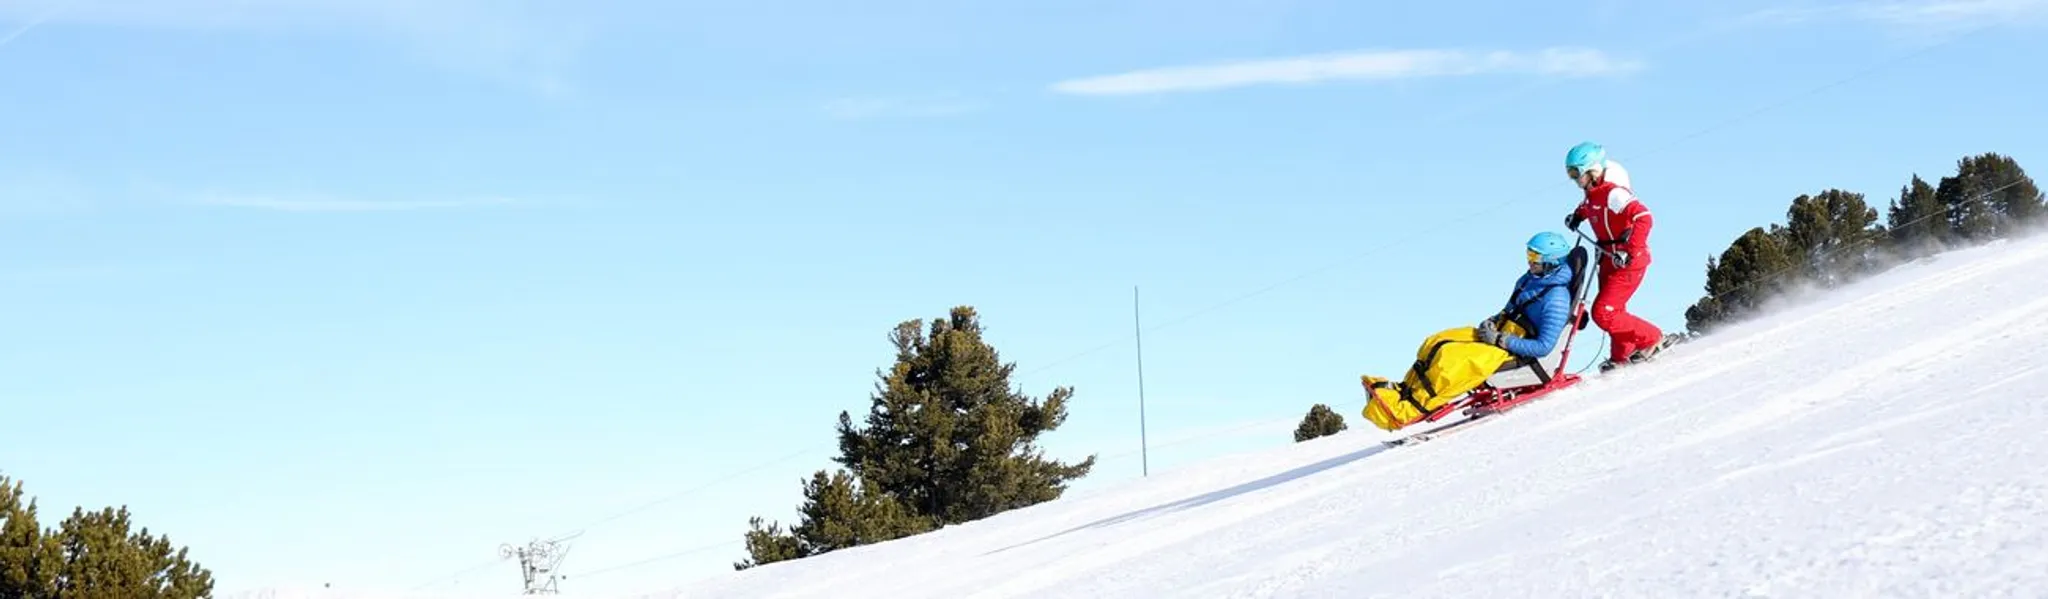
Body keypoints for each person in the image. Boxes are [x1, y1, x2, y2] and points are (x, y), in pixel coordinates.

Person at [1360, 232, 1579, 432]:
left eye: (1535, 257)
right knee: (1437, 342)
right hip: (1502, 332)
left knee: (1451, 359)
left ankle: (1408, 410)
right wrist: (1492, 322)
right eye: (1529, 254)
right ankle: (1404, 391)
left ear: (1552, 262)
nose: (1530, 261)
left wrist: (1501, 340)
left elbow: (1543, 347)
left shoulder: (1556, 300)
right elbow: (1509, 308)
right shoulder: (1530, 279)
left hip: (1517, 349)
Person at [1562, 141, 1670, 371]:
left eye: (1575, 173)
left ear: (1592, 170)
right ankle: (1621, 355)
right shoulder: (1591, 193)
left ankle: (1652, 338)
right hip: (1608, 258)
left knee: (1602, 312)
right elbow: (1589, 206)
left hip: (1629, 261)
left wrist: (1630, 249)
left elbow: (1644, 217)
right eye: (1569, 173)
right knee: (1614, 311)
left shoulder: (1614, 193)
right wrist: (1577, 216)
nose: (1573, 179)